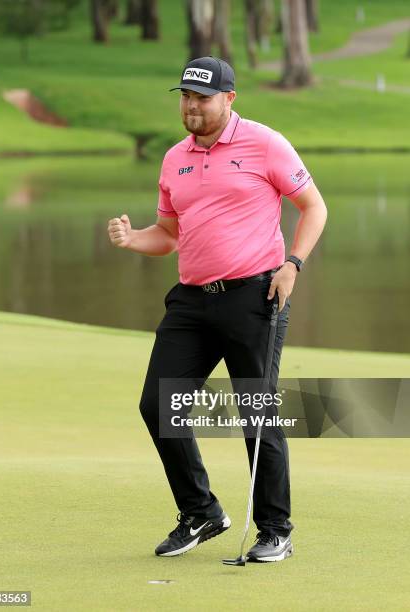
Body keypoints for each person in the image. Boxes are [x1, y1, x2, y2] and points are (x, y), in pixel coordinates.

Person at [108, 56, 327, 562]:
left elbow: (314, 206)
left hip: (256, 296)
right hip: (191, 301)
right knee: (158, 405)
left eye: (202, 98)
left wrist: (293, 263)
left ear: (229, 99)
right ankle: (201, 512)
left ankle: (276, 530)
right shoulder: (174, 158)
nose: (192, 106)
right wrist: (132, 239)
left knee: (256, 413)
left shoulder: (265, 143)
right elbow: (167, 236)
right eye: (186, 96)